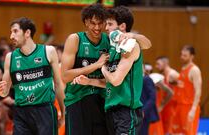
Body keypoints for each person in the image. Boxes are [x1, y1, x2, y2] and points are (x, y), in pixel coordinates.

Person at [71, 5, 151, 135]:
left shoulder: (131, 46)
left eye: (110, 24)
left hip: (126, 111)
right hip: (110, 111)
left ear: (122, 26)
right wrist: (88, 81)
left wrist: (101, 66)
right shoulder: (114, 48)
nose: (106, 28)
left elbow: (115, 80)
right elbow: (109, 83)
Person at [0, 17, 65, 135]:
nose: (11, 36)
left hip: (45, 110)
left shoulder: (48, 51)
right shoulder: (10, 57)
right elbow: (5, 91)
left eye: (15, 31)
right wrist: (0, 91)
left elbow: (58, 84)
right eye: (11, 32)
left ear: (27, 33)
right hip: (21, 113)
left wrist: (63, 113)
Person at [61, 4, 110, 135]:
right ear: (85, 23)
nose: (97, 28)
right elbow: (65, 76)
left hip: (102, 100)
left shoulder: (109, 40)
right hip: (77, 100)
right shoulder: (75, 39)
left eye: (100, 23)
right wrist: (96, 65)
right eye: (93, 23)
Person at [173, 45, 202, 135]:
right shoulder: (183, 68)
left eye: (185, 55)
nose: (182, 57)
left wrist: (193, 109)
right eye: (181, 55)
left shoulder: (194, 70)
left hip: (189, 107)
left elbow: (198, 91)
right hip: (179, 106)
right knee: (176, 132)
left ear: (192, 56)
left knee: (189, 133)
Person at [155, 56, 179, 134]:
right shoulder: (163, 75)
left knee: (171, 131)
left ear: (165, 63)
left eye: (158, 64)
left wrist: (161, 105)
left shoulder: (172, 74)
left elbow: (180, 90)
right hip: (166, 107)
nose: (156, 66)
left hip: (172, 108)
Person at [141, 65, 159, 135]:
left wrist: (144, 111)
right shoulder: (134, 79)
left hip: (143, 114)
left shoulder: (146, 79)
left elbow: (152, 97)